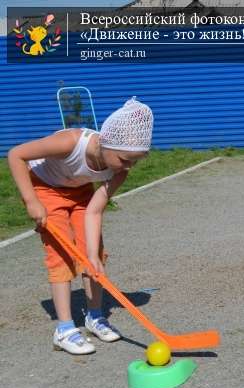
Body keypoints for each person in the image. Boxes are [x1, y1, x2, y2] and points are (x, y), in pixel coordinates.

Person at [7, 97, 154, 355]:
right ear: (106, 143)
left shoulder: (119, 168)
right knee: (61, 255)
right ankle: (63, 329)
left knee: (94, 254)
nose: (129, 167)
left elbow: (94, 210)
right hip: (45, 189)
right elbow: (16, 155)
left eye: (135, 161)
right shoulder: (70, 141)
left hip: (80, 191)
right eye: (125, 159)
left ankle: (94, 317)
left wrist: (90, 255)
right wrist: (31, 201)